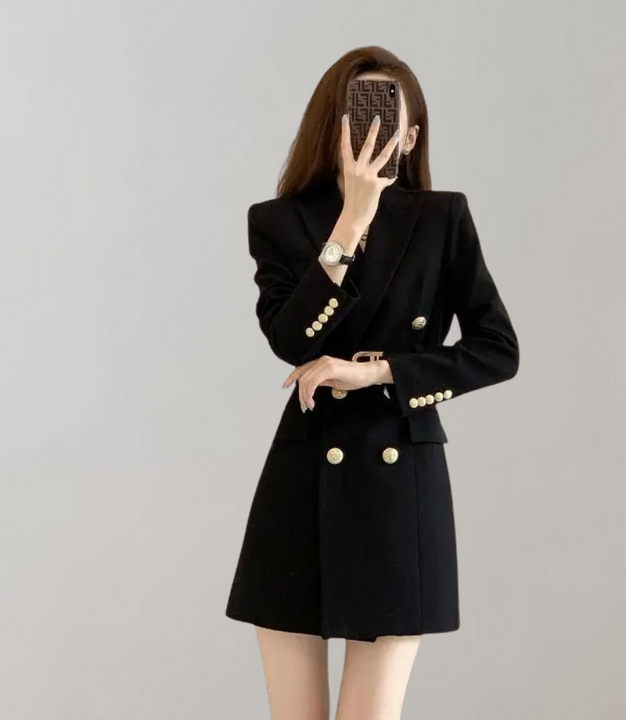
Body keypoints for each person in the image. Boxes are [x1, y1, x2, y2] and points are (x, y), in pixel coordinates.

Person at [225, 46, 520, 720]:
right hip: (303, 482)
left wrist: (378, 373)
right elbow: (290, 341)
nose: (374, 133)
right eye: (358, 116)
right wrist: (351, 222)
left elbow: (498, 349)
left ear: (411, 137)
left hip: (398, 486)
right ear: (330, 129)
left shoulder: (443, 218)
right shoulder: (277, 221)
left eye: (391, 120)